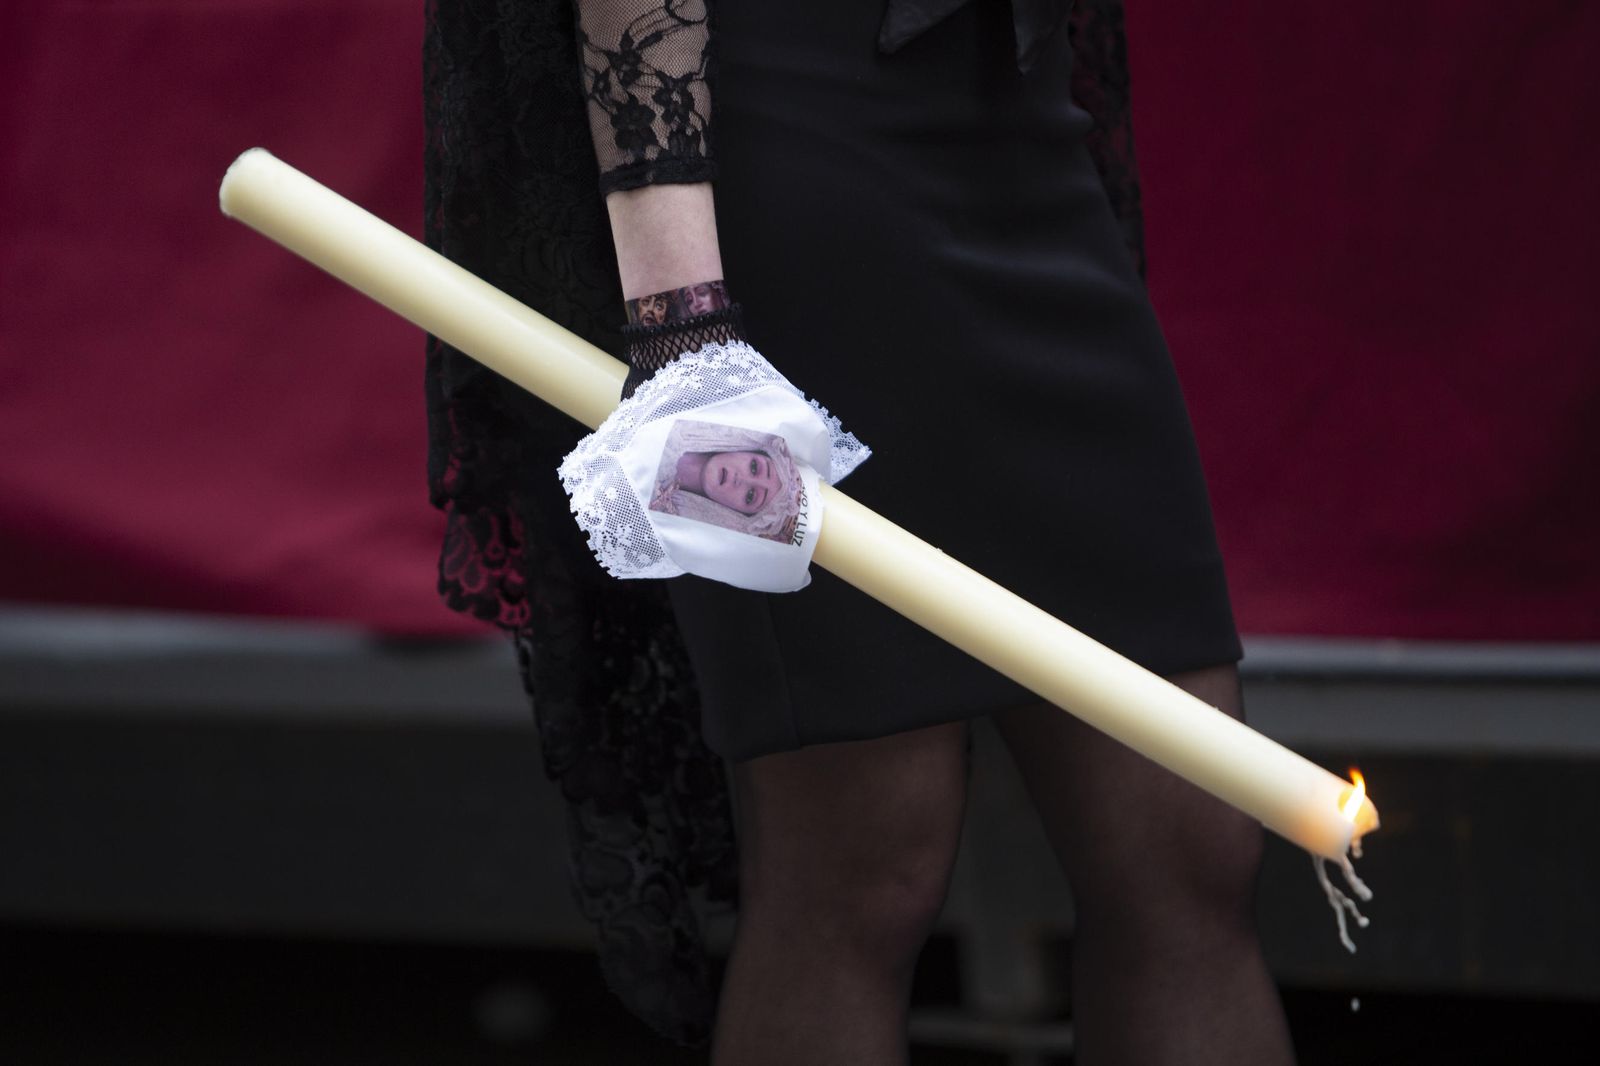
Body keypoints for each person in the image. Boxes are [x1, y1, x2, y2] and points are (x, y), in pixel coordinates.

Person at [422, 1, 1298, 1063]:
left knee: (1189, 837)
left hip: (1013, 125)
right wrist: (685, 333)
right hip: (781, 153)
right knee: (862, 856)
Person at [648, 420, 805, 543]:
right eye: (754, 467)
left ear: (737, 514)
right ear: (748, 449)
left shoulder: (664, 526)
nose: (740, 479)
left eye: (750, 495)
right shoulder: (685, 420)